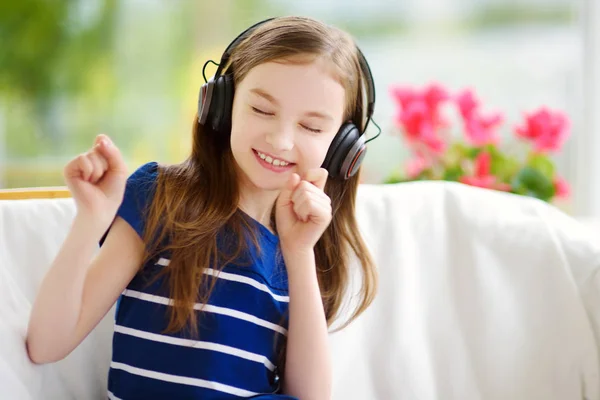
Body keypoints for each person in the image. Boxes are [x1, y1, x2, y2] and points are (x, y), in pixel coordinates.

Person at [26, 16, 379, 400]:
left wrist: (299, 253)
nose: (280, 140)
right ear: (221, 104)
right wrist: (90, 220)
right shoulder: (160, 196)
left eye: (311, 128)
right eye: (262, 109)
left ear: (345, 148)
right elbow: (46, 345)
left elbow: (309, 397)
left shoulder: (305, 244)